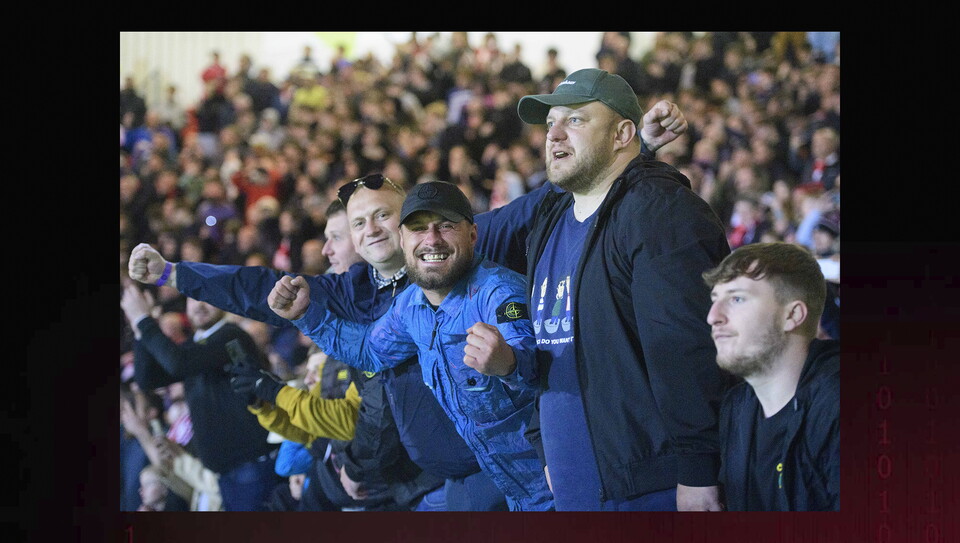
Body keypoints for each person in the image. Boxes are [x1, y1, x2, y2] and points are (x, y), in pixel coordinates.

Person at [507, 67, 731, 510]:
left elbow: (686, 349)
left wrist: (699, 469)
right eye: (550, 123)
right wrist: (542, 441)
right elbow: (548, 348)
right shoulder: (549, 222)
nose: (554, 134)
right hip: (575, 486)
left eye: (575, 120)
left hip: (653, 488)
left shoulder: (660, 212)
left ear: (623, 133)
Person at [269, 181, 553, 511]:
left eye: (445, 226)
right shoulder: (410, 304)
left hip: (550, 485)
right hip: (505, 489)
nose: (431, 239)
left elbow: (549, 373)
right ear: (403, 241)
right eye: (418, 229)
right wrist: (306, 315)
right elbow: (369, 352)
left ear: (472, 235)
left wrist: (510, 363)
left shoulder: (497, 293)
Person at [702, 242, 839, 511]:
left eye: (737, 299)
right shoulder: (737, 407)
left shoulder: (837, 405)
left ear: (792, 315)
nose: (713, 317)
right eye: (715, 299)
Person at [119, 283, 279, 511]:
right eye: (192, 299)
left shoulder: (232, 337)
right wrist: (139, 328)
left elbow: (178, 363)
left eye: (207, 297)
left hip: (251, 467)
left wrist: (144, 320)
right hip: (223, 475)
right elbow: (147, 379)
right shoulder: (195, 347)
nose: (199, 305)